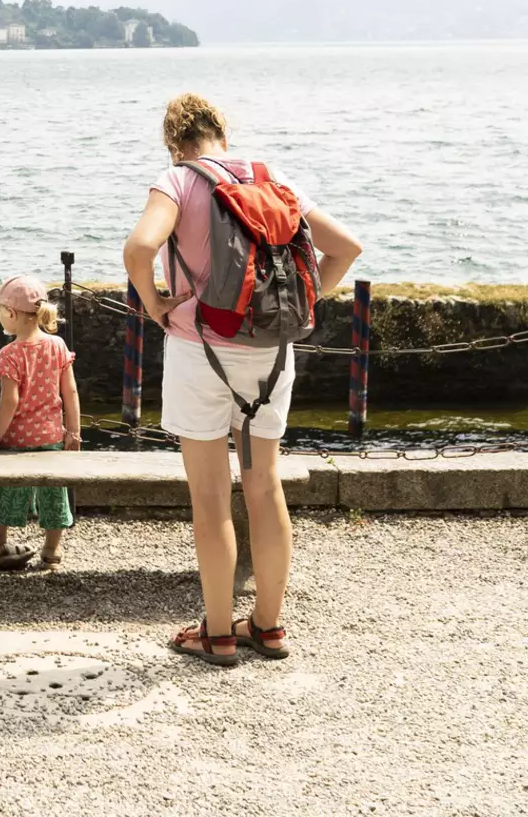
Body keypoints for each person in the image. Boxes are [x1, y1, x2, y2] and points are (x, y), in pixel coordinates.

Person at [122, 93, 362, 666]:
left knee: (210, 496)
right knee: (263, 485)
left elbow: (139, 247)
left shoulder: (177, 180)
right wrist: (305, 300)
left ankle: (219, 632)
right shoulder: (269, 176)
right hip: (271, 354)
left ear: (174, 142)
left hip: (200, 352)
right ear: (222, 135)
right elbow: (346, 248)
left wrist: (157, 305)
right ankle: (270, 627)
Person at [0, 274, 80, 571]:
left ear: (12, 313)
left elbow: (10, 402)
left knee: (3, 491)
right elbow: (70, 391)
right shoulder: (58, 345)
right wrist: (73, 432)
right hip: (51, 437)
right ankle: (51, 551)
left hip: (17, 441)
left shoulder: (8, 354)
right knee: (54, 494)